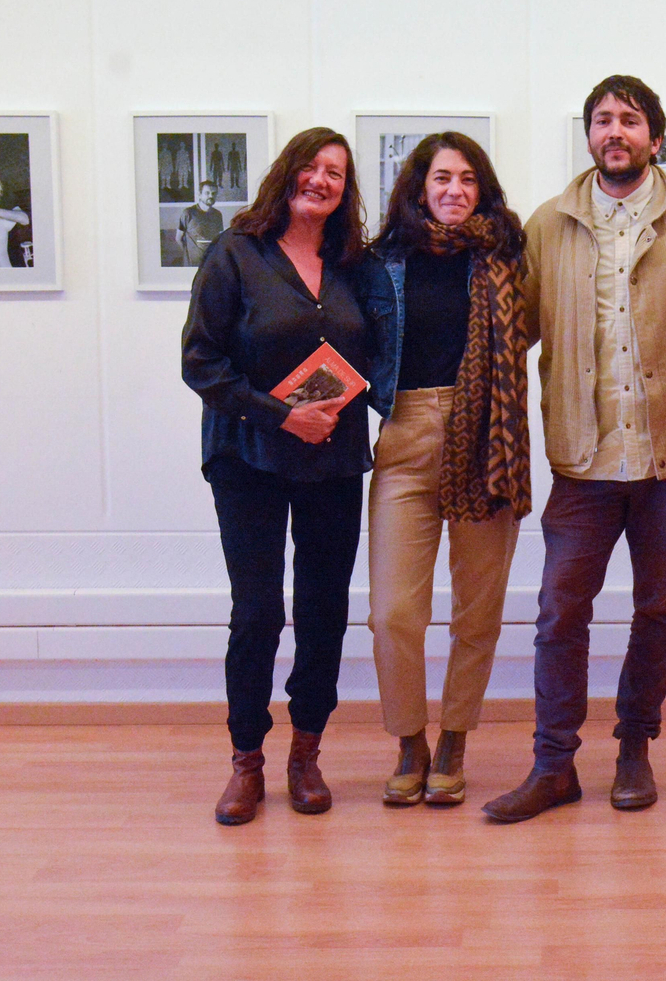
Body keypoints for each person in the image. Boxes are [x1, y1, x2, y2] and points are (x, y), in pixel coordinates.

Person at [482, 75, 666, 823]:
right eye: (602, 120)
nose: (615, 131)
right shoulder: (547, 224)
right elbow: (511, 330)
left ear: (656, 139)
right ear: (589, 136)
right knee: (560, 610)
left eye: (630, 120)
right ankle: (553, 762)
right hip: (583, 461)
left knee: (657, 607)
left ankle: (634, 747)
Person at [181, 127, 371, 826]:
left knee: (324, 609)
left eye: (337, 174)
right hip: (249, 460)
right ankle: (246, 762)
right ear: (287, 173)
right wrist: (279, 416)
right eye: (313, 167)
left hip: (333, 461)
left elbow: (382, 344)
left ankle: (306, 754)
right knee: (258, 611)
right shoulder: (235, 253)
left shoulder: (354, 263)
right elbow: (199, 363)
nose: (322, 180)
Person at [359, 133, 530, 807]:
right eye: (441, 178)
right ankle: (409, 739)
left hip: (486, 437)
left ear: (481, 189)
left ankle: (455, 736)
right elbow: (344, 338)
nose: (453, 189)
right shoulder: (382, 263)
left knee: (477, 610)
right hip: (403, 437)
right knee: (392, 613)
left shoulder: (508, 261)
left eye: (466, 179)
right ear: (418, 187)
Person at [178, 180, 224, 267]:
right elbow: (178, 238)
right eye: (207, 193)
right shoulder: (188, 213)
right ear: (199, 194)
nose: (211, 196)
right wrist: (189, 254)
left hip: (211, 264)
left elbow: (219, 238)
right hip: (192, 265)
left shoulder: (218, 214)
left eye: (214, 193)